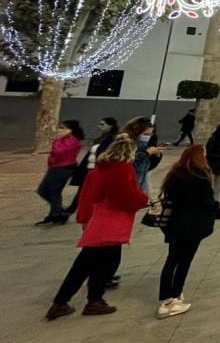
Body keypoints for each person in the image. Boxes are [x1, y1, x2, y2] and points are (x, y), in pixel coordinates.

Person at [45, 135, 149, 320]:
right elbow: (125, 196)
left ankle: (65, 301)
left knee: (85, 264)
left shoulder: (97, 171)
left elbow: (85, 197)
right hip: (111, 221)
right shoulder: (122, 169)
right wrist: (144, 200)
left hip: (96, 220)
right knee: (105, 264)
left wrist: (84, 219)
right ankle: (91, 300)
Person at [157, 145, 218, 319]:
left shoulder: (174, 175)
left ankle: (167, 297)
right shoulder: (201, 178)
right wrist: (215, 207)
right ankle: (174, 298)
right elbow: (208, 203)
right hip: (193, 226)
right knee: (185, 262)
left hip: (174, 224)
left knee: (172, 260)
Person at [36, 120, 85, 225]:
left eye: (63, 128)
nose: (59, 130)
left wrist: (57, 141)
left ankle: (55, 215)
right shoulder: (63, 140)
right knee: (42, 190)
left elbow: (58, 152)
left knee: (54, 192)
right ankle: (58, 210)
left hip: (63, 168)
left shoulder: (73, 140)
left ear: (70, 130)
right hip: (54, 167)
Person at [67, 117, 119, 214]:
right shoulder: (102, 137)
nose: (100, 127)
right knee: (83, 190)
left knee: (90, 191)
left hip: (98, 169)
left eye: (103, 124)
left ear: (111, 126)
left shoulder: (111, 138)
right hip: (89, 168)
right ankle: (72, 209)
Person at [121, 117, 164, 197]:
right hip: (127, 186)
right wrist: (146, 153)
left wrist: (156, 156)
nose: (148, 137)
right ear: (136, 132)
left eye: (150, 134)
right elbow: (129, 167)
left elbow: (147, 168)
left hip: (140, 185)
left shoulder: (145, 145)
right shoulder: (126, 145)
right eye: (145, 134)